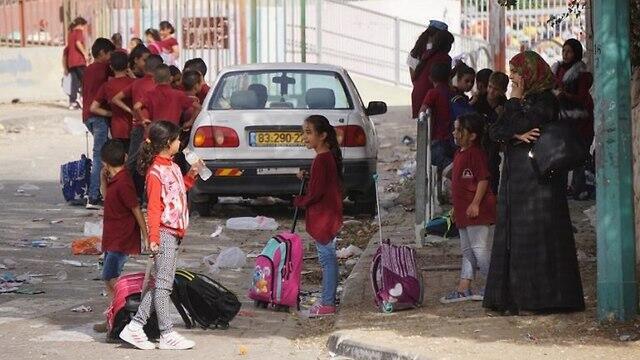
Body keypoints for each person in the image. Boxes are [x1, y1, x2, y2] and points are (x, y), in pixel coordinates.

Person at [483, 51, 585, 315]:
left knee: (539, 236)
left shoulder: (544, 101)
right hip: (516, 178)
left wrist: (514, 117)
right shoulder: (521, 100)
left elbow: (522, 122)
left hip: (538, 181)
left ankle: (543, 298)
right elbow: (495, 131)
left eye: (517, 72)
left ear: (530, 73)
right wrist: (516, 131)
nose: (513, 77)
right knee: (513, 236)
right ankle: (513, 297)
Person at [119, 121, 199, 350]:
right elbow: (153, 208)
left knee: (160, 285)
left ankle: (135, 326)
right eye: (177, 140)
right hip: (163, 233)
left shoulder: (172, 166)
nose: (180, 143)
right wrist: (153, 238)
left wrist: (191, 176)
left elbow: (176, 193)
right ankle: (166, 332)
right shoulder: (155, 172)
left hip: (174, 233)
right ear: (167, 143)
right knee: (164, 285)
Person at [93, 140, 148, 333]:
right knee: (109, 278)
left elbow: (136, 209)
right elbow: (107, 199)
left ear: (104, 162)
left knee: (110, 278)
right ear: (125, 158)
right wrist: (102, 180)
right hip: (112, 238)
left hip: (121, 239)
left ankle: (126, 311)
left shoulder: (124, 182)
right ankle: (113, 316)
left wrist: (146, 236)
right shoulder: (115, 180)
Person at [440, 114, 496, 304]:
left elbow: (483, 180)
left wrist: (475, 203)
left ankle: (493, 285)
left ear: (472, 135)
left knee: (479, 250)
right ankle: (464, 288)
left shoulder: (476, 154)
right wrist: (457, 208)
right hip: (464, 212)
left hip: (476, 212)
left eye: (458, 130)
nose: (454, 133)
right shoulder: (460, 153)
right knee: (467, 250)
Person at [294, 115, 343, 318]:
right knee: (328, 258)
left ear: (322, 136)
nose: (305, 137)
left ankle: (328, 303)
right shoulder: (325, 158)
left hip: (324, 217)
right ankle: (327, 300)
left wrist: (299, 201)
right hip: (327, 215)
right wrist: (308, 177)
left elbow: (316, 193)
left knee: (327, 259)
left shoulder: (322, 159)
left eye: (308, 133)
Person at [113, 54, 164, 201]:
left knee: (132, 162)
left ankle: (120, 193)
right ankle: (148, 197)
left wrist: (132, 112)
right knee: (153, 163)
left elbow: (116, 99)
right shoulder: (157, 85)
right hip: (154, 128)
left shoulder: (136, 83)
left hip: (138, 127)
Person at [551, 38, 594, 200]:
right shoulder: (558, 69)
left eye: (569, 51)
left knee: (579, 155)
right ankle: (562, 188)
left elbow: (582, 98)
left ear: (576, 53)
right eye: (563, 51)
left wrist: (565, 95)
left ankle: (579, 188)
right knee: (563, 154)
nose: (565, 54)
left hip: (581, 121)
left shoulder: (581, 74)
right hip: (562, 119)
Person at [83, 38, 116, 210]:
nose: (111, 58)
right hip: (98, 116)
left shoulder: (88, 69)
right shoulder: (104, 69)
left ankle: (95, 194)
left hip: (88, 116)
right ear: (102, 53)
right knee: (99, 157)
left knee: (100, 155)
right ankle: (94, 197)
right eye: (110, 54)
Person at [90, 51, 135, 150]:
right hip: (134, 127)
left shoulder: (107, 86)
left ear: (111, 67)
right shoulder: (134, 83)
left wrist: (112, 114)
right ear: (128, 65)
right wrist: (132, 76)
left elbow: (93, 108)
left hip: (117, 128)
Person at [410, 24, 454, 118]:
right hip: (430, 97)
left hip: (418, 96)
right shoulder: (445, 58)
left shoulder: (426, 54)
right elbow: (446, 80)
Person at [136, 64, 201, 127]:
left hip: (155, 132)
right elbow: (198, 107)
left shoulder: (149, 94)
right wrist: (190, 122)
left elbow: (136, 107)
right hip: (172, 133)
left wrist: (143, 119)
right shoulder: (178, 95)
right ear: (170, 79)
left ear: (154, 79)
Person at [477, 72, 509, 195]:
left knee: (492, 165)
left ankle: (492, 194)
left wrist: (501, 115)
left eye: (496, 89)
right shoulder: (479, 99)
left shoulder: (504, 105)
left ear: (503, 91)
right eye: (490, 87)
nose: (491, 91)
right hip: (479, 139)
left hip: (494, 142)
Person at [420, 62, 455, 172]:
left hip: (438, 138)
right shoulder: (452, 92)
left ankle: (452, 169)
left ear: (430, 78)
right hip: (453, 137)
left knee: (435, 160)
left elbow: (422, 112)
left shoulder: (433, 93)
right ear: (449, 77)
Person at [64, 17, 89, 110]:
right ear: (81, 25)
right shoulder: (79, 32)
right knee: (86, 80)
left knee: (74, 82)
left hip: (71, 62)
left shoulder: (70, 33)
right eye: (84, 26)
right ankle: (83, 99)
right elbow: (78, 43)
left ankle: (72, 102)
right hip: (79, 61)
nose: (84, 29)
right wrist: (85, 53)